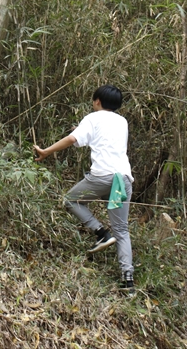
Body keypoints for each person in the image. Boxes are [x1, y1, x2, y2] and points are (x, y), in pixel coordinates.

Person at [34, 84, 135, 293]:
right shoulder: (122, 121)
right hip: (122, 179)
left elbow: (73, 140)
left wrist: (46, 152)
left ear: (97, 101)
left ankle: (101, 232)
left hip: (102, 177)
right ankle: (128, 280)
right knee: (122, 230)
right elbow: (98, 139)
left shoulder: (93, 117)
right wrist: (80, 131)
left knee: (70, 200)